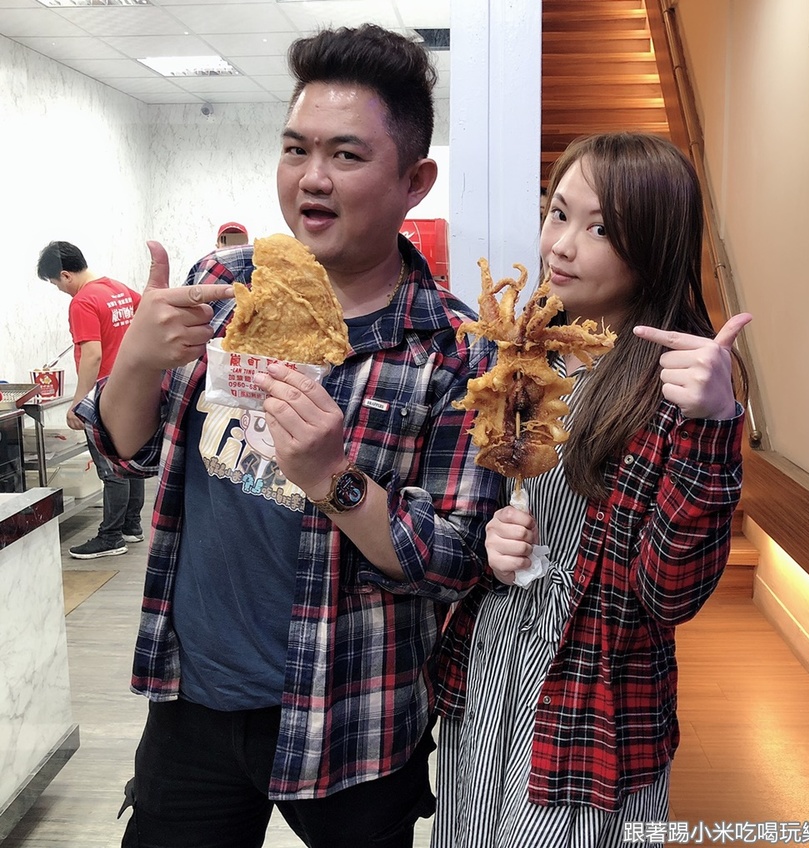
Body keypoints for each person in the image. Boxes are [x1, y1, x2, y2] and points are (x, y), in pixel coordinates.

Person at [77, 23, 502, 848]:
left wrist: (336, 479)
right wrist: (135, 364)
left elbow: (458, 557)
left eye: (347, 154)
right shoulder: (221, 289)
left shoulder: (455, 350)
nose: (312, 177)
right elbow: (120, 452)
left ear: (414, 180)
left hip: (354, 717)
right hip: (193, 698)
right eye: (295, 148)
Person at [432, 132, 751, 848]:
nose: (562, 245)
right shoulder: (525, 352)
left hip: (589, 690)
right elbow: (494, 498)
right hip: (493, 663)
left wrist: (714, 423)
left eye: (600, 228)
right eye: (557, 213)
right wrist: (494, 542)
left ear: (654, 247)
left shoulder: (678, 383)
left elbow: (670, 594)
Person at [36, 241, 145, 559]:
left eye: (56, 283)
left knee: (111, 468)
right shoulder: (118, 289)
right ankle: (131, 526)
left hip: (104, 396)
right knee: (129, 461)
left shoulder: (83, 301)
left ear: (65, 275)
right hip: (131, 389)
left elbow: (93, 355)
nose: (59, 289)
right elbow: (144, 318)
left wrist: (78, 403)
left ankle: (111, 537)